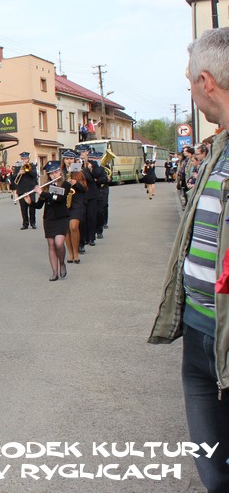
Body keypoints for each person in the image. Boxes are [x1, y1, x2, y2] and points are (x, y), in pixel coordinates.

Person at [149, 28, 229, 492]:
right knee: (214, 472)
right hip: (199, 331)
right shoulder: (218, 150)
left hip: (226, 334)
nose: (191, 92)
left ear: (206, 82)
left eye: (189, 82)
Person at [31, 162, 70, 281]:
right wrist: (30, 202)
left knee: (59, 243)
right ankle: (54, 272)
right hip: (49, 219)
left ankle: (62, 263)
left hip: (62, 217)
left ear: (60, 172)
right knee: (51, 245)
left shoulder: (66, 185)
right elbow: (39, 205)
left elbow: (59, 198)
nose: (54, 175)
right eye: (51, 173)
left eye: (56, 172)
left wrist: (42, 193)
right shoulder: (46, 187)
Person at [61, 150, 86, 265]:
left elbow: (85, 188)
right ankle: (70, 253)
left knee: (74, 226)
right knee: (66, 229)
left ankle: (76, 252)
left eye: (71, 159)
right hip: (64, 203)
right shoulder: (61, 172)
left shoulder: (79, 172)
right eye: (66, 159)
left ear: (74, 160)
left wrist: (76, 183)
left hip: (76, 203)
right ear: (64, 160)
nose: (69, 161)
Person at [10, 152, 38, 230]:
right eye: (23, 159)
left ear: (28, 159)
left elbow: (35, 175)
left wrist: (28, 170)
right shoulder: (18, 167)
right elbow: (13, 177)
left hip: (31, 189)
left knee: (32, 206)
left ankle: (33, 222)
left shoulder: (32, 165)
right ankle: (25, 223)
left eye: (25, 159)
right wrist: (19, 173)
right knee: (23, 207)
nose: (24, 160)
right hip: (21, 189)